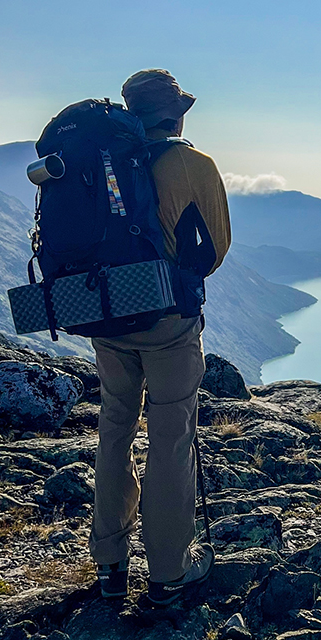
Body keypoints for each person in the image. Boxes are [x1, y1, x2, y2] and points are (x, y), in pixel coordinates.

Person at [89, 69, 231, 605]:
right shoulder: (192, 164)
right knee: (170, 438)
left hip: (106, 317)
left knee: (115, 428)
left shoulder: (97, 161)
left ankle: (109, 563)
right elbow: (213, 251)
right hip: (168, 323)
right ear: (177, 114)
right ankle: (170, 569)